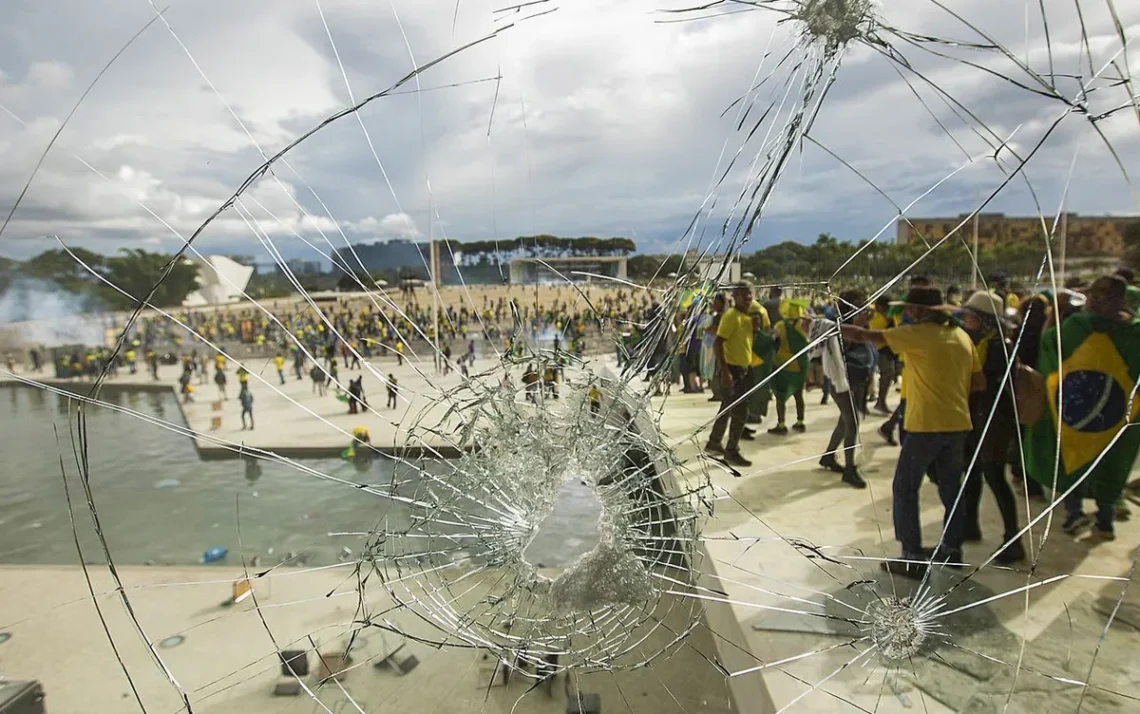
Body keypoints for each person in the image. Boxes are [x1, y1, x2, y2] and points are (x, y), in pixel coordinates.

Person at [842, 287, 984, 578]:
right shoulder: (962, 337)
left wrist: (823, 326)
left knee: (905, 488)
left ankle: (912, 558)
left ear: (921, 312)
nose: (907, 313)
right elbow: (978, 383)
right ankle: (952, 550)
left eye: (910, 309)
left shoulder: (918, 334)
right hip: (957, 423)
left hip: (924, 425)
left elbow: (863, 336)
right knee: (951, 489)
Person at [1025, 275, 1140, 543]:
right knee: (1112, 461)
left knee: (1071, 457)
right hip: (1114, 415)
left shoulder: (1076, 326)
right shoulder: (1134, 334)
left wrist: (1054, 315)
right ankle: (1105, 521)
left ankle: (1074, 513)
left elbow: (1048, 343)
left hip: (1075, 413)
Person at [956, 291, 1025, 564]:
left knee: (995, 477)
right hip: (979, 418)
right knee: (972, 472)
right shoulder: (984, 342)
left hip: (993, 421)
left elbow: (984, 384)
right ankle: (970, 525)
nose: (966, 320)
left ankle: (1013, 539)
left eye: (971, 316)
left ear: (984, 320)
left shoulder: (997, 347)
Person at [810, 290, 871, 488]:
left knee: (844, 421)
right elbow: (839, 351)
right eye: (861, 304)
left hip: (856, 377)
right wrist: (858, 327)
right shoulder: (838, 324)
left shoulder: (855, 322)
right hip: (841, 380)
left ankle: (828, 457)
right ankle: (849, 469)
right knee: (852, 422)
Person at [704, 283, 755, 468]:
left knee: (727, 408)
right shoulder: (731, 316)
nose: (748, 300)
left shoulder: (745, 317)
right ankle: (731, 451)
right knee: (740, 413)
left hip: (742, 369)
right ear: (735, 296)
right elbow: (718, 343)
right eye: (744, 296)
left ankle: (714, 442)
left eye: (750, 296)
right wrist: (726, 372)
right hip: (732, 370)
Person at [769, 299, 810, 435]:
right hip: (801, 364)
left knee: (780, 396)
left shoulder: (780, 325)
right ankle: (800, 422)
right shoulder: (804, 325)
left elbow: (773, 340)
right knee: (799, 395)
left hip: (783, 364)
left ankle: (781, 424)